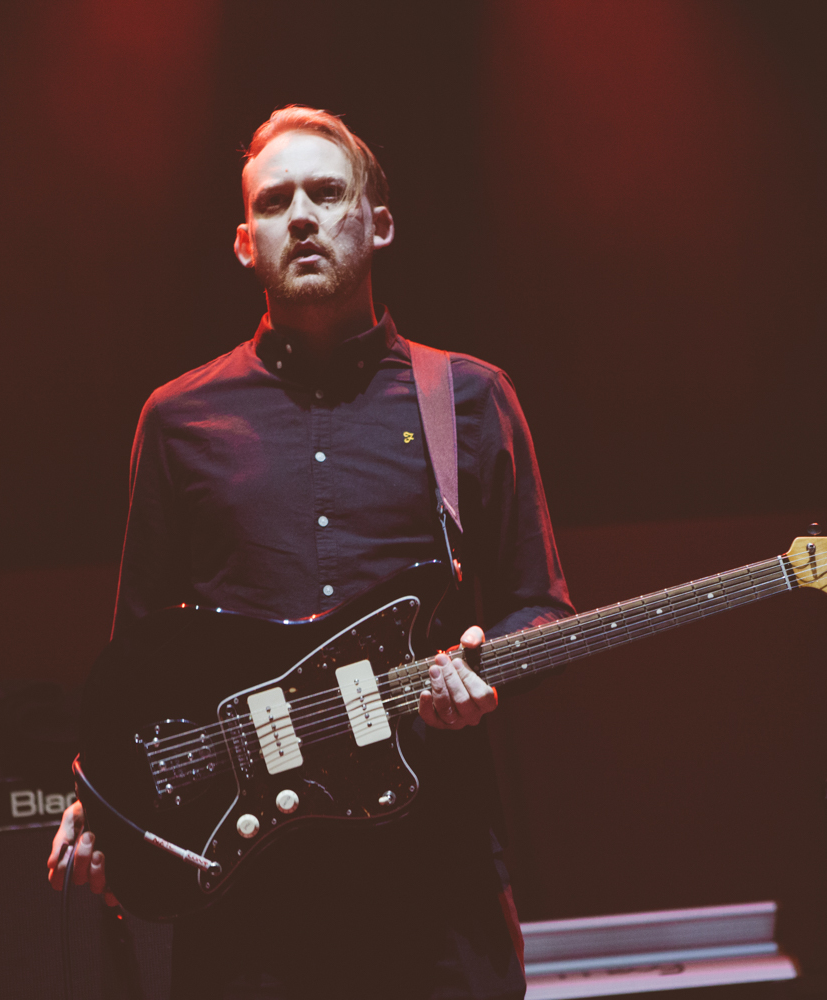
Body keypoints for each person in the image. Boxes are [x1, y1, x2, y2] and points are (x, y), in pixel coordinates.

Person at [47, 105, 572, 999]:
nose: (301, 216)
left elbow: (541, 607)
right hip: (251, 885)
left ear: (378, 222)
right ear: (245, 242)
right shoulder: (178, 419)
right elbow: (138, 660)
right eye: (275, 201)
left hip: (431, 865)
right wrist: (97, 801)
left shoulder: (470, 399)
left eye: (327, 194)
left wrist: (478, 677)